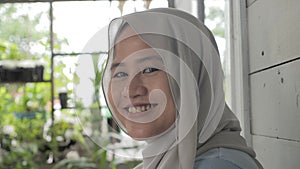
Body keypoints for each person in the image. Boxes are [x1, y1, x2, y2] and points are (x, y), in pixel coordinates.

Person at [102, 8, 263, 169]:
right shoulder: (159, 162)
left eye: (150, 69)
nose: (131, 91)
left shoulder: (218, 165)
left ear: (193, 75)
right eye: (120, 73)